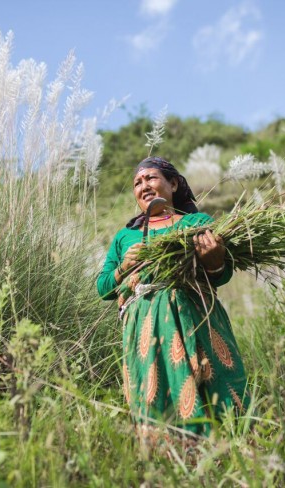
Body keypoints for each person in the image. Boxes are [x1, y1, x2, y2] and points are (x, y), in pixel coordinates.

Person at [97, 156, 250, 439]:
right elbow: (103, 288)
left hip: (197, 318)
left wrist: (214, 260)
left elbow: (221, 274)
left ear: (174, 183)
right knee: (157, 402)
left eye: (151, 178)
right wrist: (123, 269)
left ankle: (230, 454)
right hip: (146, 328)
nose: (143, 186)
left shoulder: (197, 222)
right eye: (137, 183)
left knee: (216, 392)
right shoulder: (124, 238)